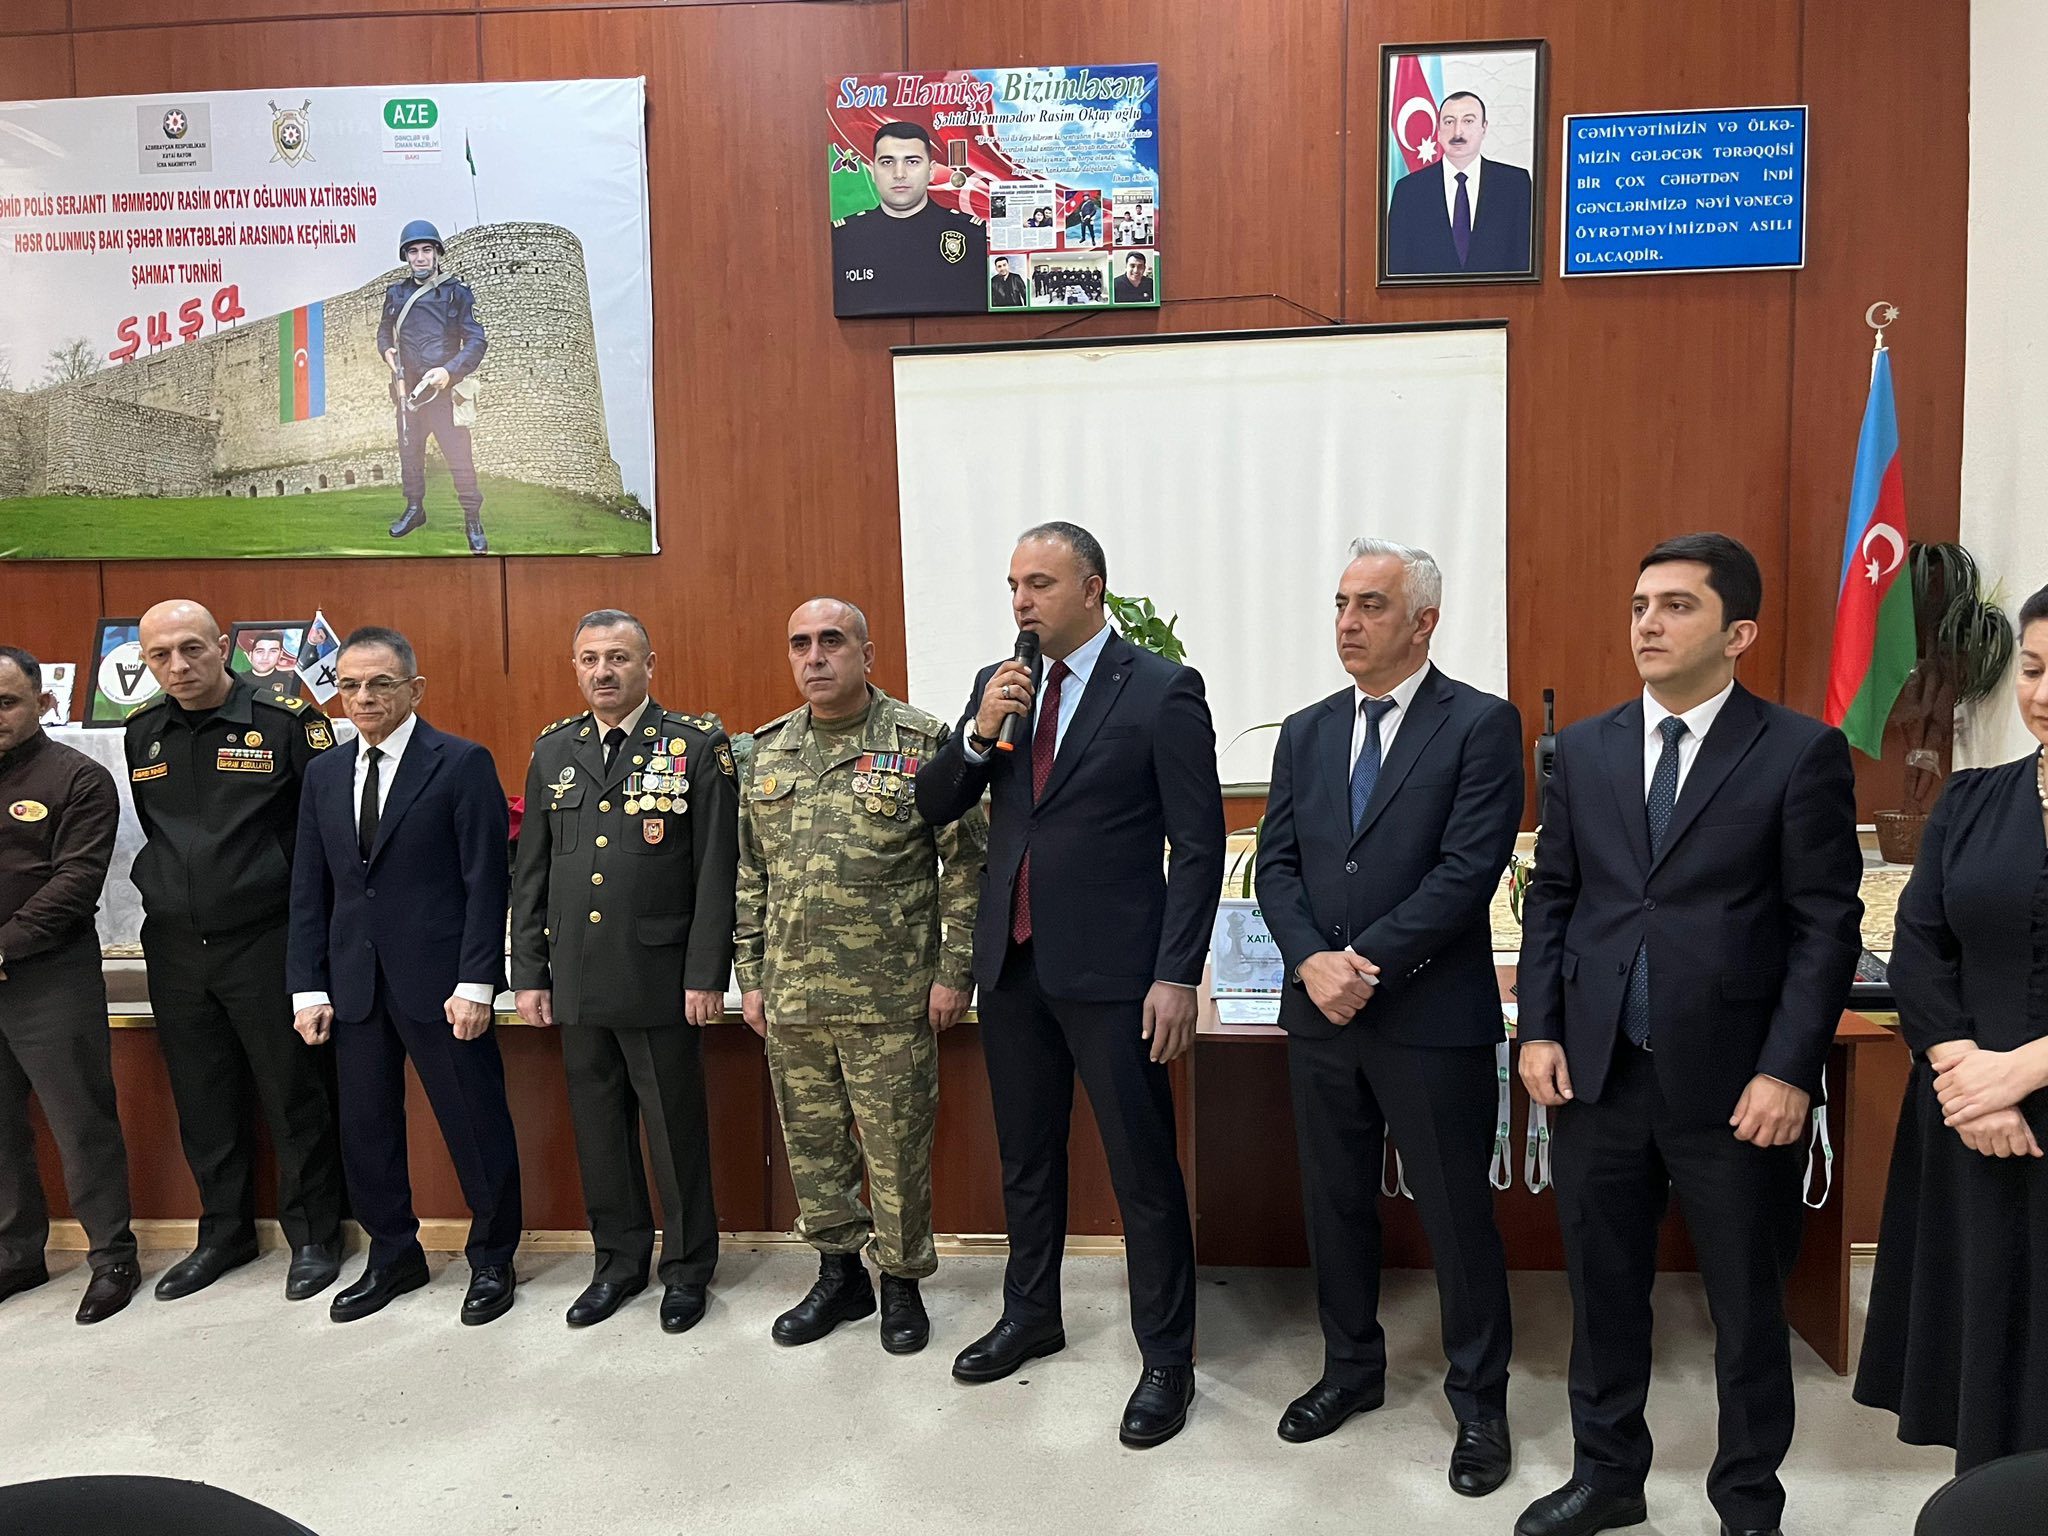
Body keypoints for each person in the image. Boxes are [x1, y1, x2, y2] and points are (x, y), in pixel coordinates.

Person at [1515, 534, 1864, 1536]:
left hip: (1736, 1086)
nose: (1648, 625)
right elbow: (1554, 899)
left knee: (1746, 1308)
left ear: (1737, 633)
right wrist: (1540, 1028)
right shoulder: (1584, 751)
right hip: (1598, 1074)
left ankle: (1747, 1499)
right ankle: (1606, 1475)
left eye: (1676, 606)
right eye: (1639, 606)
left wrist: (1787, 1070)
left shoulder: (1797, 752)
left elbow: (1823, 927)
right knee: (1602, 1290)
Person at [916, 522, 1225, 1449]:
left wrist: (1176, 973)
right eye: (1014, 585)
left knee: (1142, 1169)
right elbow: (936, 804)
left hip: (1118, 974)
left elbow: (1199, 845)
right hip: (1013, 966)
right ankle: (1031, 1314)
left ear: (1092, 589)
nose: (1021, 601)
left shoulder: (1162, 689)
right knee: (1026, 1157)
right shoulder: (1000, 685)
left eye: (1040, 584)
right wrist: (977, 736)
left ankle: (1166, 1358)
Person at [1255, 541, 1522, 1493]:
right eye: (1341, 604)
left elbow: (1468, 870)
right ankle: (1350, 1370)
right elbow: (1275, 863)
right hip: (1321, 1013)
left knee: (1455, 1213)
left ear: (1423, 622)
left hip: (1429, 1013)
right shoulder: (1307, 731)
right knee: (1333, 1203)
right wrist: (1310, 962)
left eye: (1371, 605)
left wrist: (1360, 965)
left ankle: (1480, 1402)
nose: (1348, 623)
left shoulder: (1480, 724)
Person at [736, 598, 987, 1356]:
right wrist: (751, 975)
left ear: (867, 655)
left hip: (892, 995)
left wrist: (955, 971)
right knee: (814, 1146)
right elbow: (750, 875)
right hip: (793, 994)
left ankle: (902, 1282)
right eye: (800, 643)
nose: (815, 656)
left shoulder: (923, 742)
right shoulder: (765, 752)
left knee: (896, 1150)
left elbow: (965, 865)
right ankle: (839, 1275)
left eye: (832, 641)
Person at [1854, 581, 2048, 1472]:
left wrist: (2024, 1070)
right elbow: (1919, 947)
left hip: (2012, 1096)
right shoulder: (1970, 801)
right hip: (1968, 1115)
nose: (2041, 693)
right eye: (2033, 670)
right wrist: (1966, 1068)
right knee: (1985, 1342)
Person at [509, 610, 736, 1335]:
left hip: (661, 976)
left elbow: (716, 871)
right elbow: (531, 872)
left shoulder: (694, 746)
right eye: (589, 659)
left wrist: (707, 974)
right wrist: (530, 972)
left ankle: (688, 1268)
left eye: (617, 657)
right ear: (575, 668)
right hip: (577, 977)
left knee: (674, 1132)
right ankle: (617, 1262)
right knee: (599, 1132)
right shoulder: (554, 749)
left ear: (648, 665)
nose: (602, 671)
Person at [287, 626, 522, 1326]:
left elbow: (487, 883)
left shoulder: (461, 762)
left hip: (443, 985)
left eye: (380, 684)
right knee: (367, 1131)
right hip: (354, 984)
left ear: (414, 690)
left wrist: (477, 983)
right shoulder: (325, 772)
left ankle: (492, 1258)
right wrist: (308, 985)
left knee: (474, 1123)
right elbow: (310, 887)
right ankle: (393, 1255)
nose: (363, 697)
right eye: (350, 685)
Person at [126, 600, 347, 1304]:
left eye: (192, 648)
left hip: (266, 938)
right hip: (176, 947)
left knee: (293, 1092)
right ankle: (224, 1233)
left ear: (224, 647)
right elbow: (158, 833)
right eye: (160, 655)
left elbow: (327, 837)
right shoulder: (143, 732)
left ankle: (313, 1234)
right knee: (203, 1097)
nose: (178, 666)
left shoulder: (286, 723)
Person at [0, 647, 140, 1325]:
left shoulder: (79, 778)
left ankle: (112, 1257)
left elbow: (76, 882)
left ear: (43, 702)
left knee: (81, 1121)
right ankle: (16, 1255)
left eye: (6, 702)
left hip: (49, 976)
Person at [377, 220, 489, 554]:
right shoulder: (396, 294)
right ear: (406, 257)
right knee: (410, 454)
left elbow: (476, 341)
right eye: (413, 251)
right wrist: (387, 351)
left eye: (427, 250)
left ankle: (472, 520)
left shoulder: (457, 292)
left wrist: (449, 371)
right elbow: (384, 331)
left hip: (443, 393)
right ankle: (415, 509)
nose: (421, 257)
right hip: (408, 392)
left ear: (437, 253)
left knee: (459, 458)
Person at [832, 122, 988, 317]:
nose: (899, 174)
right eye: (887, 162)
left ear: (931, 171)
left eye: (912, 162)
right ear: (872, 171)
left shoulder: (972, 234)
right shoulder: (844, 237)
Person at [1385, 91, 1534, 278]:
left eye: (1468, 121)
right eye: (1449, 122)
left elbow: (1526, 258)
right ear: (1438, 131)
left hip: (1500, 296)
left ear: (1484, 128)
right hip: (1427, 297)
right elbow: (1396, 265)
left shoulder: (1515, 185)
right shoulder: (1408, 190)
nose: (1457, 132)